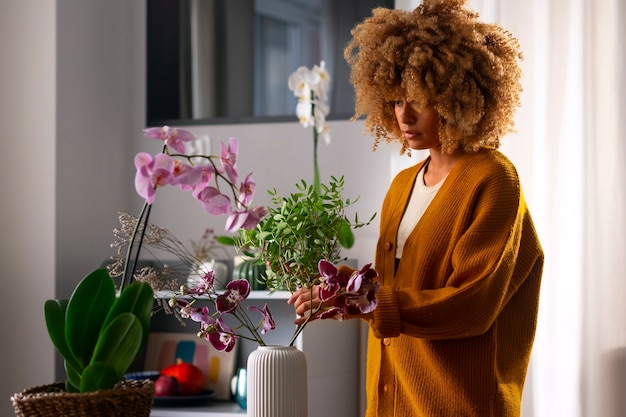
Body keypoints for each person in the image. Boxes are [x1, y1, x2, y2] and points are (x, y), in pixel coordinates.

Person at [288, 1, 544, 416]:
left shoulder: (493, 179)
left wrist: (366, 302)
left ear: (459, 94)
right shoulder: (401, 186)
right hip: (390, 401)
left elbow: (471, 305)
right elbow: (396, 289)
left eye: (418, 99)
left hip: (460, 403)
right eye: (393, 101)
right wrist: (344, 292)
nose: (403, 115)